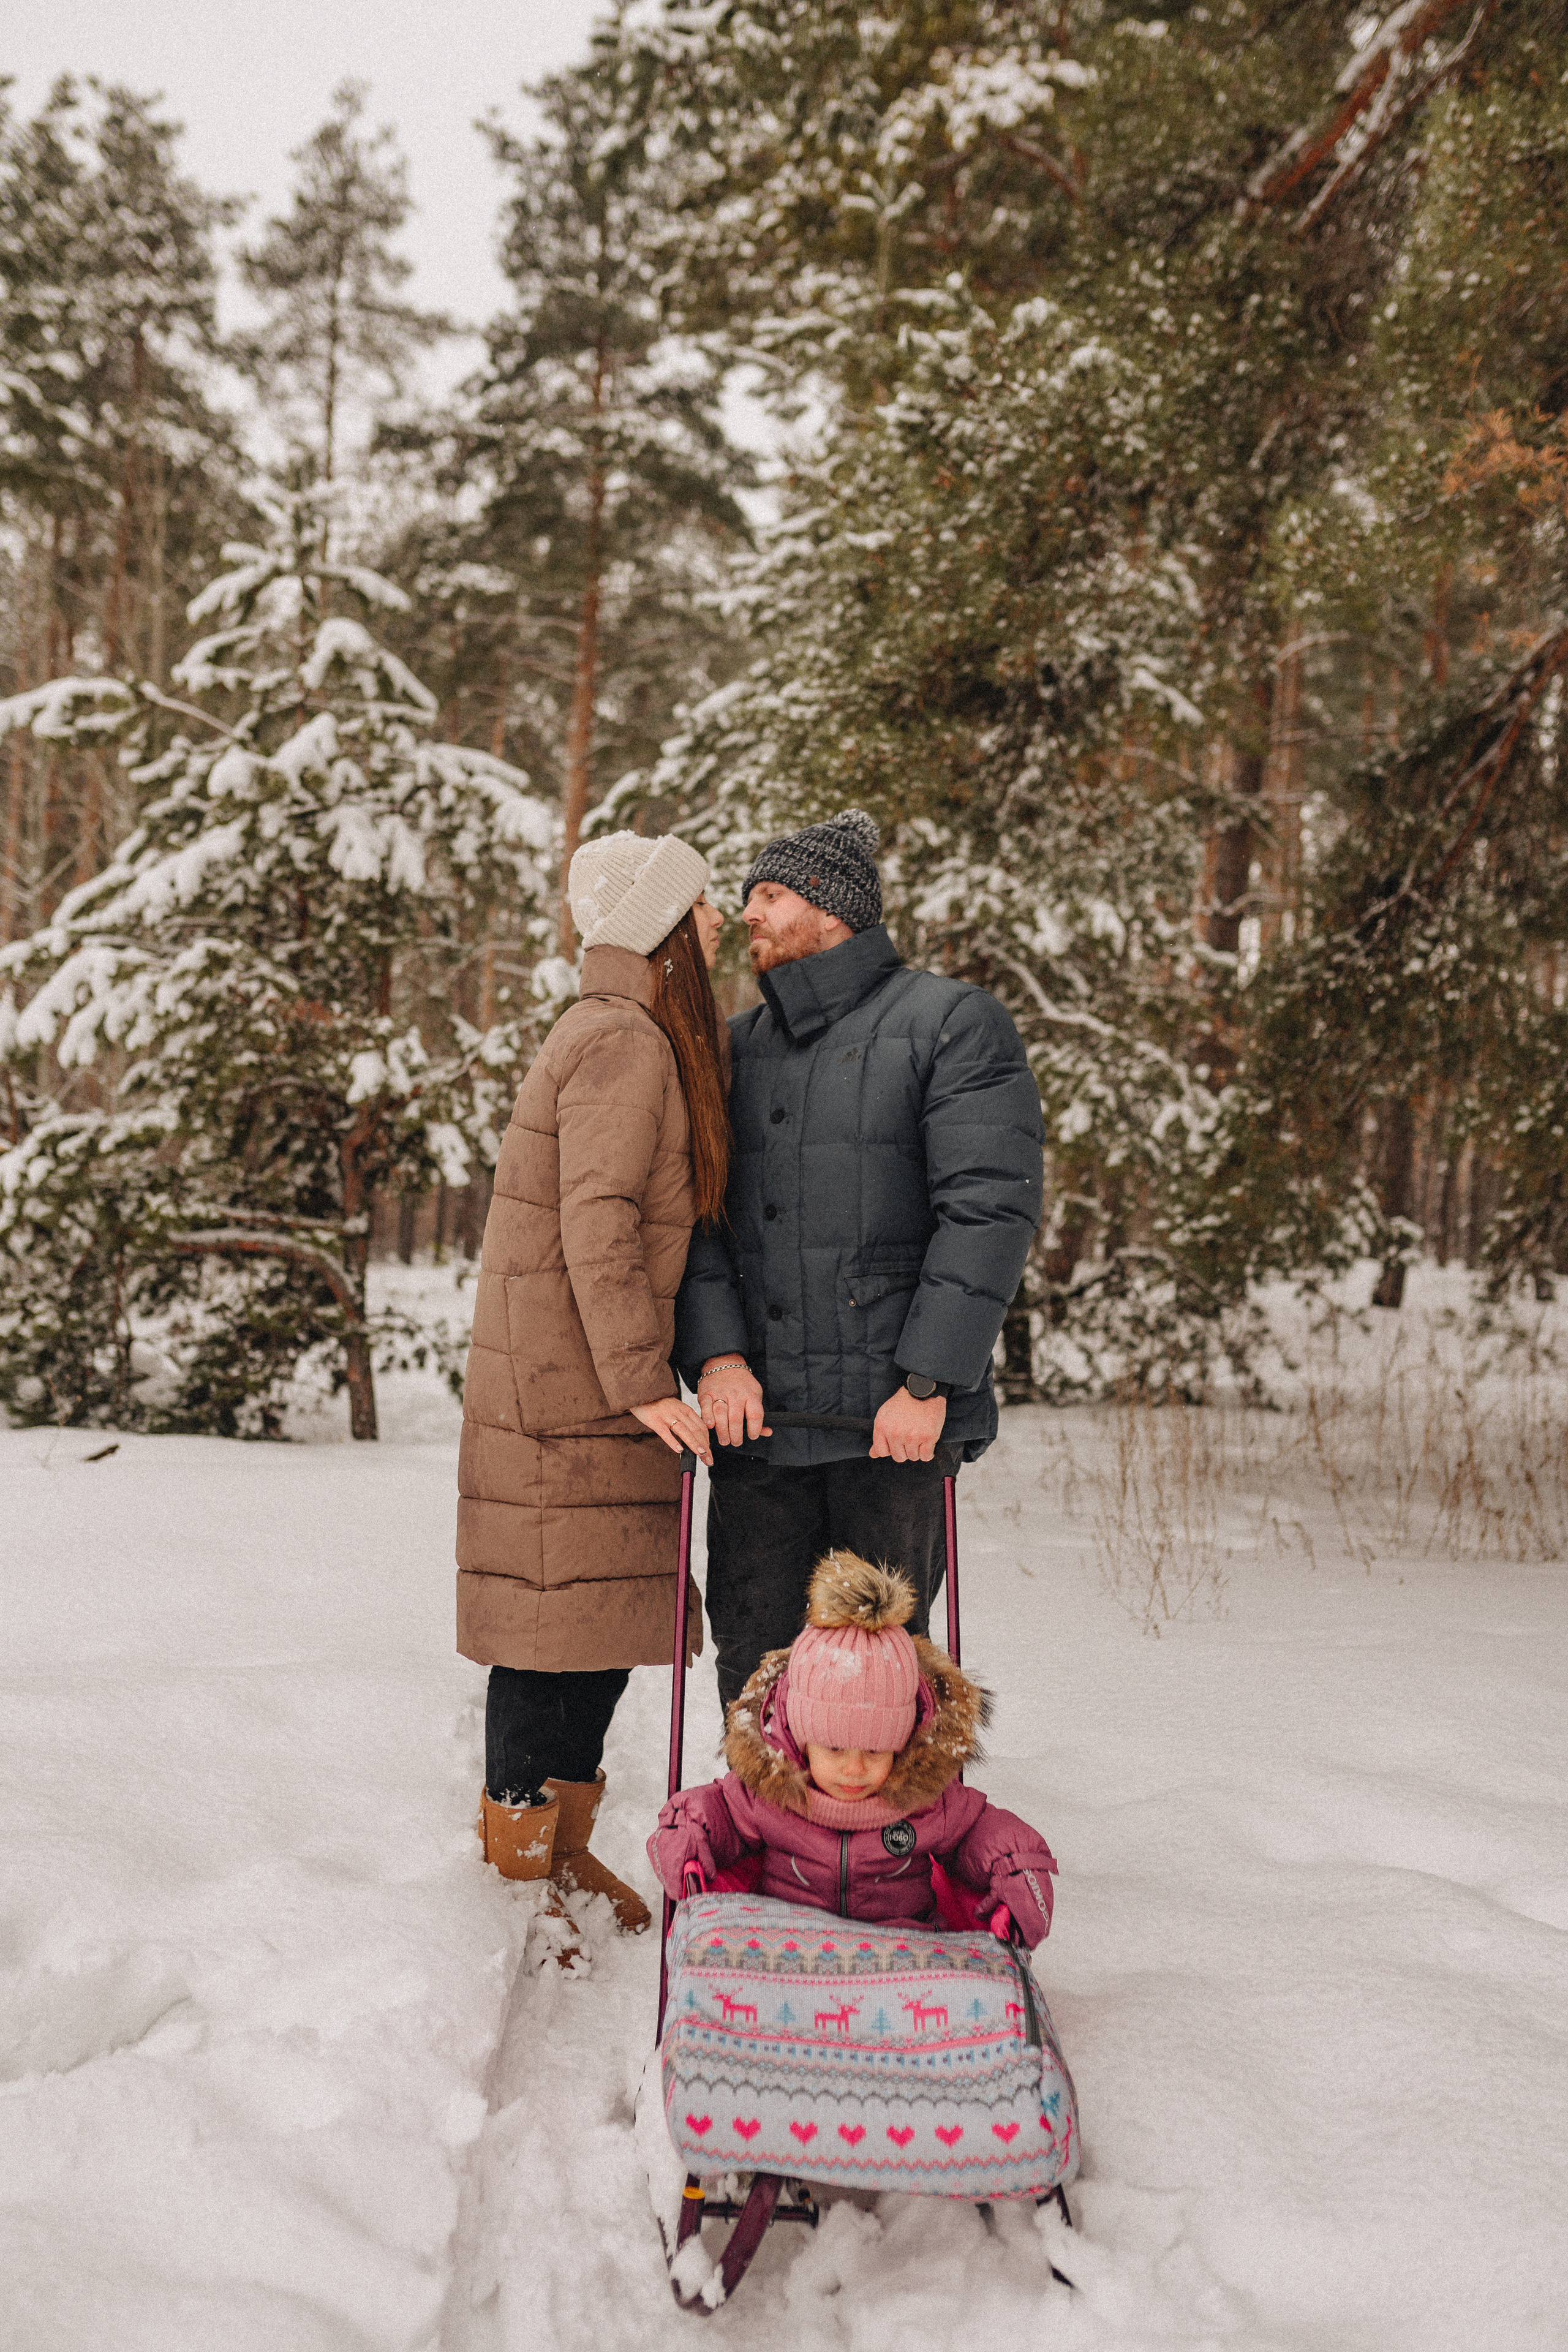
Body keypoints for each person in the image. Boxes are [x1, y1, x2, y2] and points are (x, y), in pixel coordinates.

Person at [674, 807, 1045, 1711]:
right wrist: (718, 1359)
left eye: (770, 895)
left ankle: (889, 1850)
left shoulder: (952, 1023)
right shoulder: (735, 1047)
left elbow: (987, 1213)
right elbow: (693, 1219)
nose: (748, 913)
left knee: (883, 1680)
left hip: (891, 1435)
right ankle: (753, 1846)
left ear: (833, 913)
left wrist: (929, 1384)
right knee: (756, 1672)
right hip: (760, 1432)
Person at [456, 829, 725, 1947]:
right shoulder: (624, 1041)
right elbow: (598, 1225)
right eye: (702, 910)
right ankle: (519, 1872)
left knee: (588, 1628)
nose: (719, 928)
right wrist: (642, 1381)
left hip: (574, 1389)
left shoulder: (623, 1030)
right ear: (661, 929)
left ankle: (558, 1850)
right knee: (547, 1632)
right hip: (576, 1395)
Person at [646, 1553, 1057, 1945]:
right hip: (783, 1953)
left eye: (877, 1752)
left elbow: (983, 1830)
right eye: (836, 1749)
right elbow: (713, 1811)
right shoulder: (771, 1796)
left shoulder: (926, 1803)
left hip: (900, 1954)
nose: (855, 1769)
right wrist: (686, 1837)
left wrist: (1015, 1867)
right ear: (799, 1740)